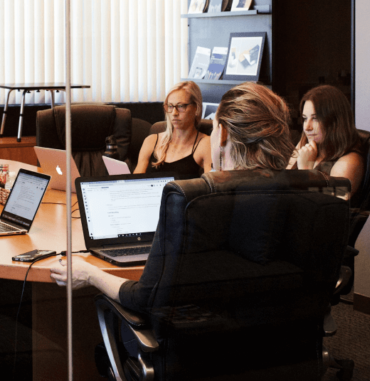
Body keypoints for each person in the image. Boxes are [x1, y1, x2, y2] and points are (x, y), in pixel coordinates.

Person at [51, 82, 294, 305]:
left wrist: (90, 274)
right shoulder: (307, 196)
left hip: (195, 341)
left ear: (224, 134)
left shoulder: (193, 208)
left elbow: (145, 297)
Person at [287, 85, 364, 197]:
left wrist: (306, 171)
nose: (307, 127)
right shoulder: (306, 145)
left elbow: (331, 205)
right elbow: (283, 186)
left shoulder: (350, 161)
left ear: (335, 121)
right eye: (305, 119)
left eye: (315, 118)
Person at [135, 80, 212, 177]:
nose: (174, 113)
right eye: (170, 106)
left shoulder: (206, 143)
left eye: (180, 106)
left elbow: (212, 187)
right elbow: (135, 183)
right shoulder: (151, 141)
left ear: (196, 108)